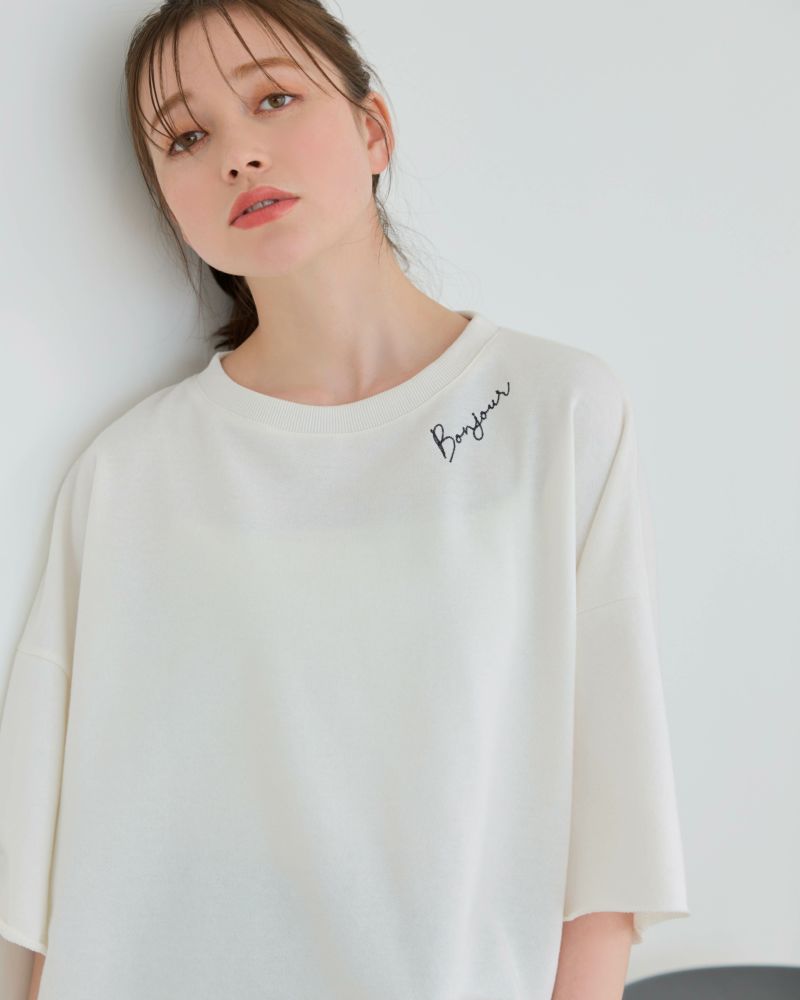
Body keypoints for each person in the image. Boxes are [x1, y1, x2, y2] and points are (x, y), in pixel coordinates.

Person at [1, 2, 690, 999]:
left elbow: (611, 833)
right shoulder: (128, 474)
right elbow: (43, 866)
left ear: (374, 130)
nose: (237, 154)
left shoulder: (554, 410)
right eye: (186, 138)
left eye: (273, 100)